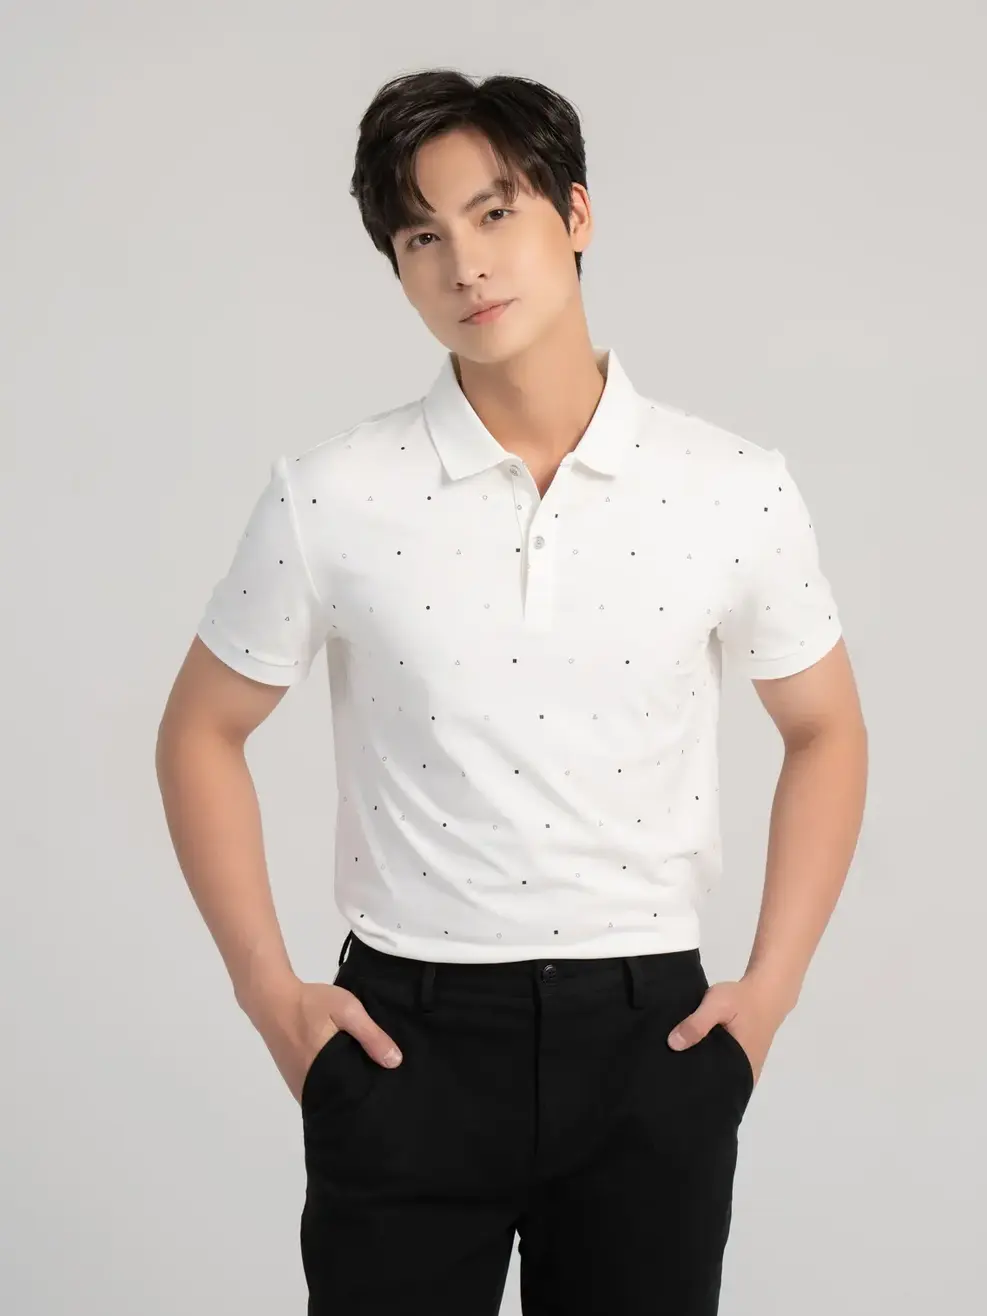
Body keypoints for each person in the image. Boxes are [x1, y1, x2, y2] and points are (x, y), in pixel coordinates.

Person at [155, 68, 868, 1316]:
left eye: (495, 214)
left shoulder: (730, 486)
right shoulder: (332, 493)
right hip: (406, 1040)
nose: (465, 265)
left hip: (650, 1040)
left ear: (576, 213)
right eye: (421, 236)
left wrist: (769, 995)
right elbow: (201, 732)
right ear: (397, 265)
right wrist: (271, 997)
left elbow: (826, 728)